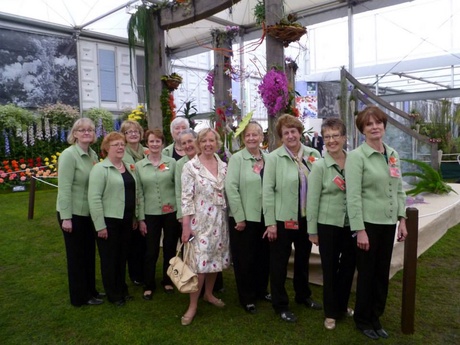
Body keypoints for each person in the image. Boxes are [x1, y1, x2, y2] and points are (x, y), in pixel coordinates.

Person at [346, 105, 407, 340]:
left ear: (384, 126)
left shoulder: (391, 154)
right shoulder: (357, 157)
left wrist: (402, 219)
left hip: (388, 222)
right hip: (368, 225)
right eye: (369, 124)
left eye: (378, 123)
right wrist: (359, 230)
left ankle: (376, 316)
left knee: (382, 273)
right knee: (367, 274)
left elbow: (399, 188)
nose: (374, 127)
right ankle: (362, 319)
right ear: (362, 129)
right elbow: (353, 196)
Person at [262, 114, 322, 323]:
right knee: (278, 263)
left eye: (293, 131)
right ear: (281, 137)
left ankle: (303, 295)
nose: (290, 135)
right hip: (282, 219)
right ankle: (280, 305)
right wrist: (270, 223)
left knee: (303, 259)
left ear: (299, 132)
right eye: (285, 133)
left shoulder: (313, 154)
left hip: (306, 218)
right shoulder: (273, 158)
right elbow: (267, 191)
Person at [306, 118, 356, 330]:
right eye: (327, 137)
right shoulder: (319, 167)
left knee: (347, 268)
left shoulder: (354, 162)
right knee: (330, 268)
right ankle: (330, 312)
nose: (332, 140)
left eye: (336, 136)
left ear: (344, 138)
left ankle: (342, 306)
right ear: (323, 140)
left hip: (351, 225)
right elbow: (312, 200)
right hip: (328, 225)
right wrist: (312, 231)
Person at [180, 128, 230, 326]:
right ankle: (193, 305)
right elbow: (186, 197)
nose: (208, 144)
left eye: (212, 141)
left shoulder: (224, 165)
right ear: (199, 144)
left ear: (217, 143)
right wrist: (186, 225)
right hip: (199, 222)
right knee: (199, 265)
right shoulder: (191, 167)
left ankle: (209, 294)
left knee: (214, 260)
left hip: (220, 220)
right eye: (204, 141)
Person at [56, 118, 103, 307]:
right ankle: (79, 297)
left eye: (90, 130)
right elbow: (64, 188)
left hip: (88, 214)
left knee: (89, 254)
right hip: (73, 214)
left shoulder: (92, 155)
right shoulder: (69, 155)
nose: (86, 133)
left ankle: (91, 290)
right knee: (77, 257)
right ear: (74, 134)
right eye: (82, 130)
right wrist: (66, 218)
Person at [225, 121, 270, 314]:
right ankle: (247, 297)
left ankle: (261, 290)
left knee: (263, 256)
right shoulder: (237, 159)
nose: (251, 138)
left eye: (255, 135)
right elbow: (231, 188)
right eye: (248, 135)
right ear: (243, 139)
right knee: (245, 259)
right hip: (243, 218)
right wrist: (239, 217)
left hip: (264, 217)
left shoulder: (268, 159)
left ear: (261, 137)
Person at [88, 132, 138, 307]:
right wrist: (100, 226)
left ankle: (122, 288)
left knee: (122, 257)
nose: (120, 147)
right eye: (115, 144)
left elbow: (134, 192)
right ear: (106, 148)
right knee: (110, 259)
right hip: (109, 221)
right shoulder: (100, 169)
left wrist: (134, 217)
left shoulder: (128, 166)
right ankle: (113, 294)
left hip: (126, 220)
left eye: (122, 144)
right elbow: (94, 198)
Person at [136, 129, 180, 300]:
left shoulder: (171, 163)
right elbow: (139, 194)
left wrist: (180, 213)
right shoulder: (139, 166)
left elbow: (178, 188)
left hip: (171, 212)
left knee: (170, 247)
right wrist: (140, 218)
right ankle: (149, 284)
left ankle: (168, 280)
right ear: (147, 143)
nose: (155, 144)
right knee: (151, 250)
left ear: (162, 143)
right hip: (150, 213)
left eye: (158, 141)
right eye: (151, 141)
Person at [120, 120, 147, 287]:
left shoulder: (146, 151)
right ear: (124, 136)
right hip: (130, 199)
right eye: (129, 132)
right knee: (133, 242)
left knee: (144, 241)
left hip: (146, 197)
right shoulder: (123, 153)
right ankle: (135, 274)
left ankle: (144, 271)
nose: (133, 134)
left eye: (136, 131)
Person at [175, 129, 198, 222]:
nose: (187, 146)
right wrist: (181, 214)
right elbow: (179, 190)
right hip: (189, 212)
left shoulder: (207, 158)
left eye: (190, 141)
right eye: (184, 143)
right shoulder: (180, 164)